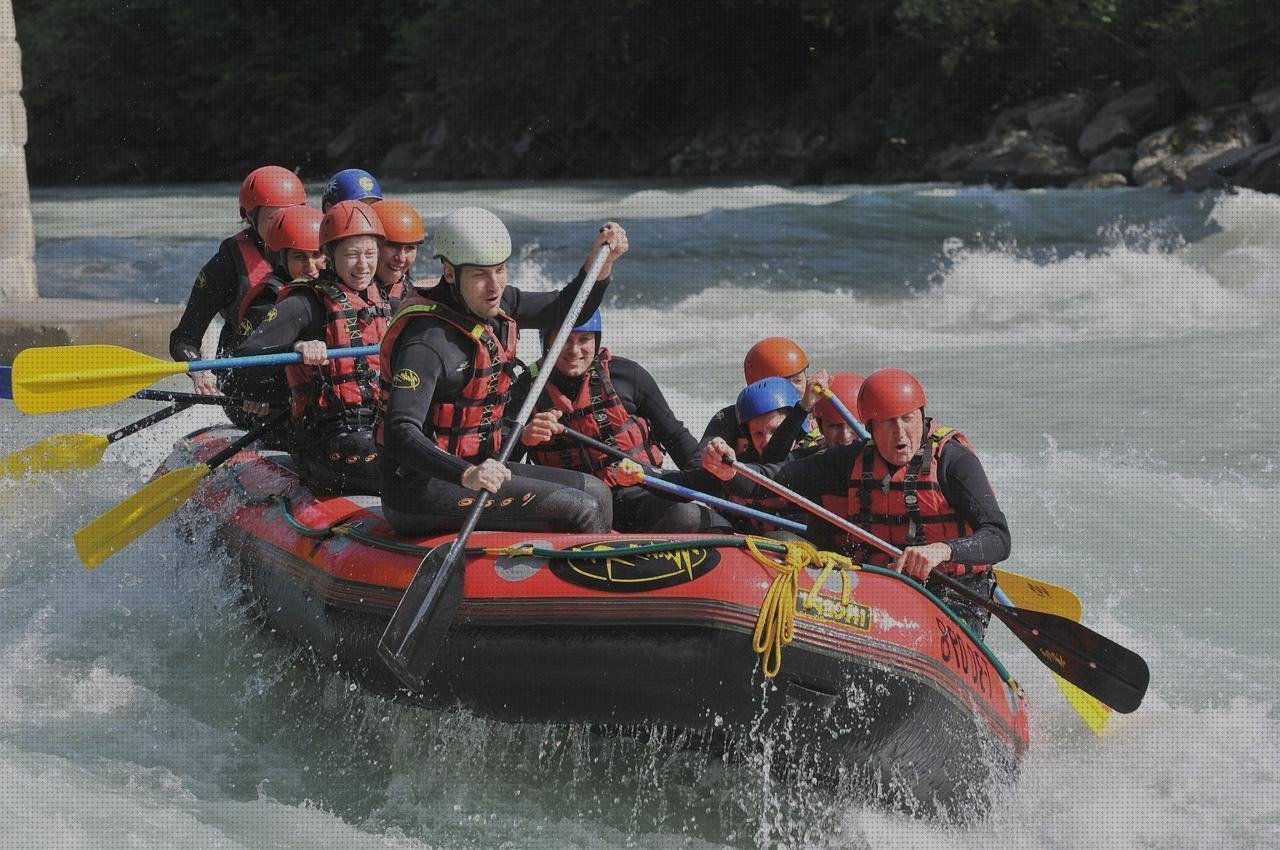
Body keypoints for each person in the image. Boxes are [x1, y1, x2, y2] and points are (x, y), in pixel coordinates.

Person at [695, 368, 1011, 636]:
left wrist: (941, 550)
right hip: (884, 586)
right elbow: (771, 480)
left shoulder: (954, 462)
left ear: (922, 416)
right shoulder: (849, 461)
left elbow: (998, 537)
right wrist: (730, 472)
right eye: (888, 422)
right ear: (870, 427)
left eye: (908, 419)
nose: (901, 433)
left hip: (955, 593)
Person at [374, 208, 626, 535]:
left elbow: (567, 309)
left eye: (500, 270)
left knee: (597, 491)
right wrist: (465, 474)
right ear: (449, 273)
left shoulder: (496, 304)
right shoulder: (426, 342)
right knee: (582, 508)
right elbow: (399, 432)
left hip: (483, 469)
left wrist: (601, 263)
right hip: (420, 489)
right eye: (480, 274)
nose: (494, 286)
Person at [513, 310, 729, 533]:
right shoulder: (525, 390)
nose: (574, 350)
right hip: (573, 506)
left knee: (689, 515)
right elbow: (501, 462)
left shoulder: (627, 375)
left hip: (637, 495)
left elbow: (676, 438)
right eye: (564, 340)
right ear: (547, 341)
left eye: (584, 339)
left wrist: (704, 479)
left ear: (596, 342)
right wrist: (523, 438)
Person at [234, 200, 391, 494]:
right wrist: (295, 348)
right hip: (326, 442)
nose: (363, 265)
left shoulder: (381, 300)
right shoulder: (304, 303)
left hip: (377, 429)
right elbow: (242, 366)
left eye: (370, 254)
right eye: (352, 255)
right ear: (329, 255)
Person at [169, 165, 306, 396]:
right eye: (274, 219)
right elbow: (184, 338)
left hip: (302, 370)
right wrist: (199, 371)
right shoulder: (227, 264)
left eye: (292, 217)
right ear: (249, 217)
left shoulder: (319, 253)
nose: (283, 228)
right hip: (246, 382)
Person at [221, 205, 327, 429]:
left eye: (317, 254)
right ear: (281, 258)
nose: (311, 267)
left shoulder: (336, 289)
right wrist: (255, 391)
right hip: (264, 400)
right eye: (299, 256)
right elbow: (235, 371)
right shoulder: (266, 303)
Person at [701, 336, 822, 460]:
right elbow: (697, 464)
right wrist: (716, 456)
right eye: (783, 385)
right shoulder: (729, 419)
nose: (794, 390)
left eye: (798, 380)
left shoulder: (822, 411)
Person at [370, 198, 426, 311]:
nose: (401, 258)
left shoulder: (412, 297)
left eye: (410, 248)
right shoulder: (338, 299)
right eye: (392, 246)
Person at [812, 371, 865, 447]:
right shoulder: (813, 453)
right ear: (821, 427)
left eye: (855, 425)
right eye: (835, 425)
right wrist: (803, 407)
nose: (845, 437)